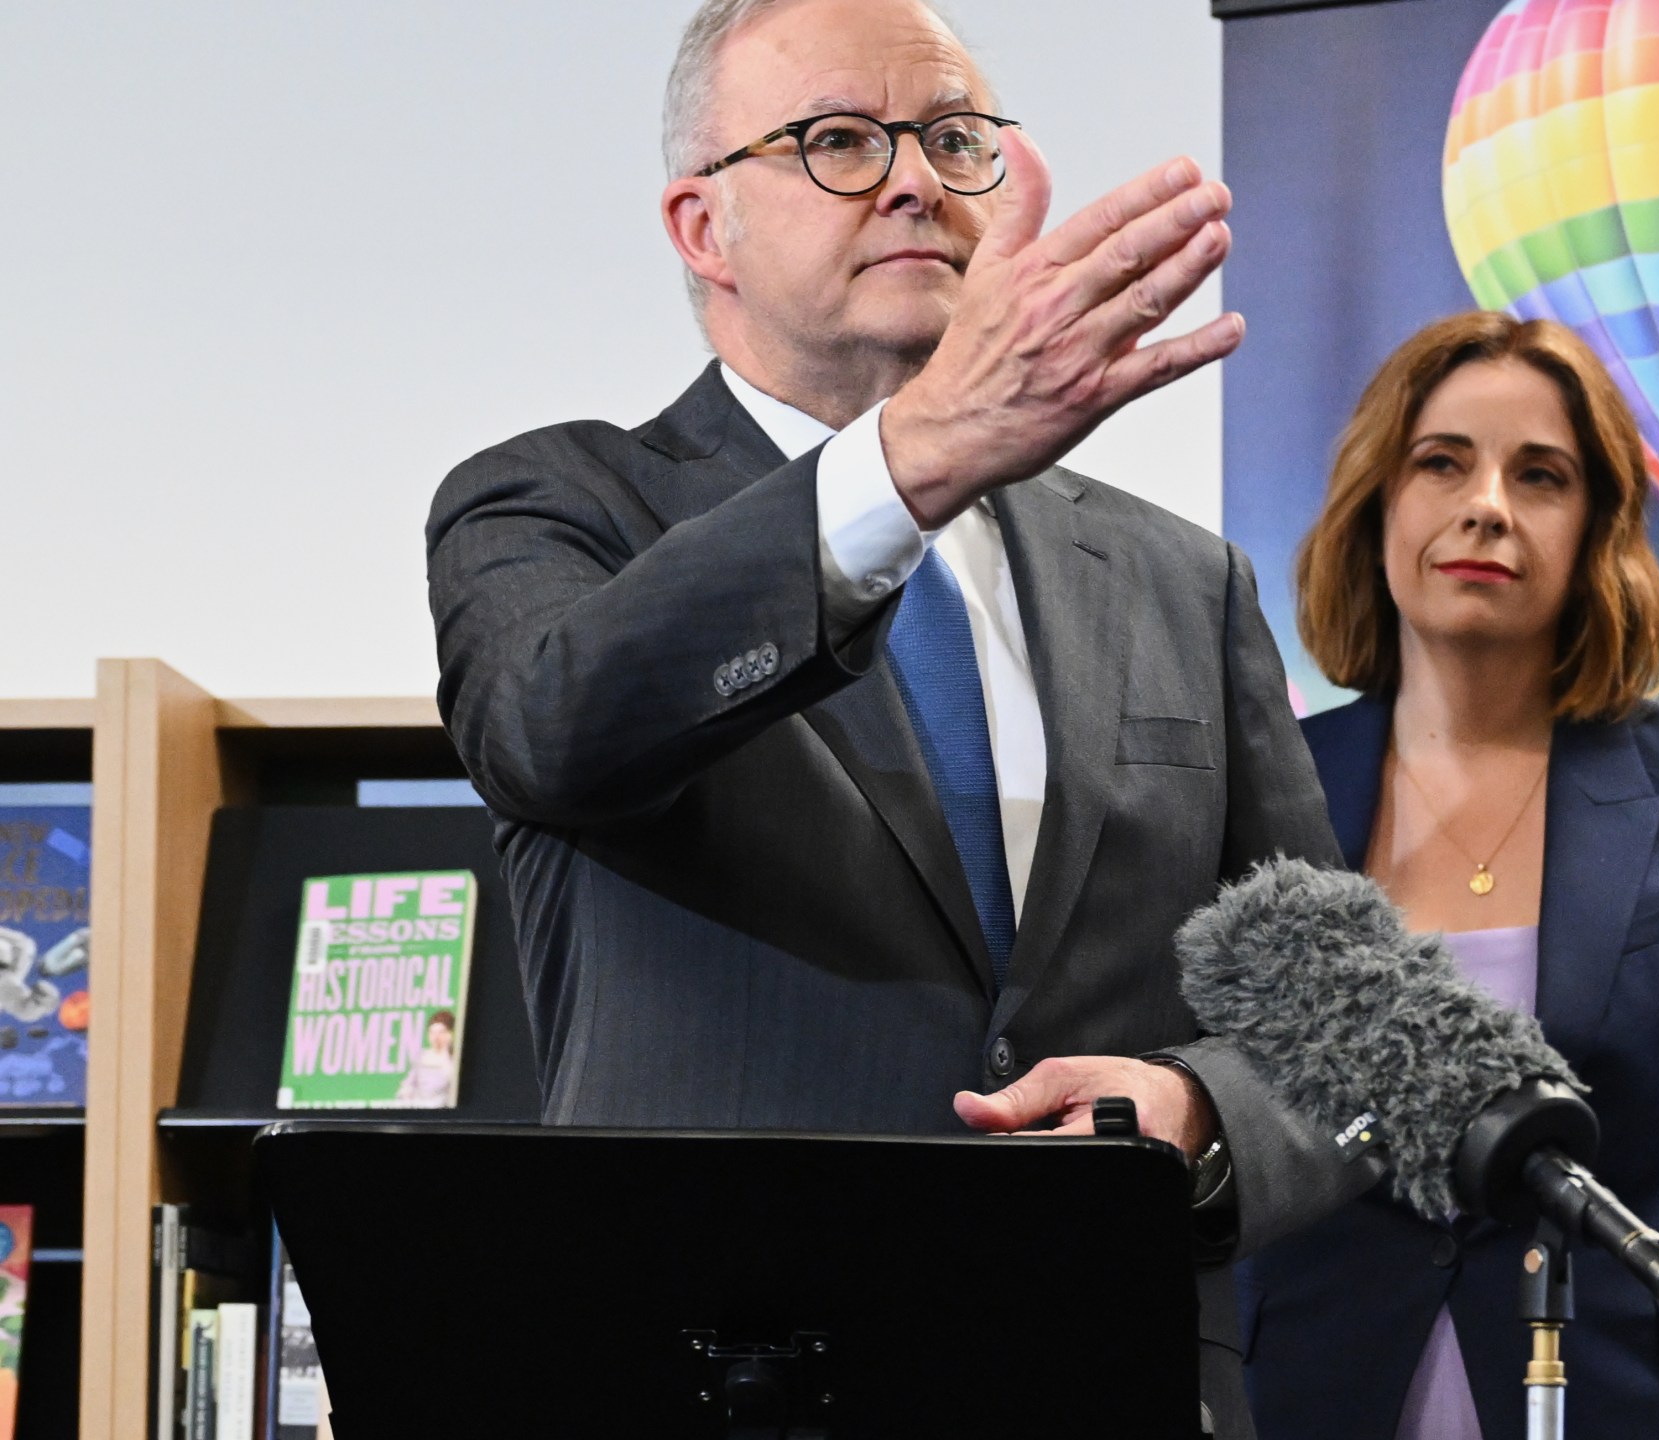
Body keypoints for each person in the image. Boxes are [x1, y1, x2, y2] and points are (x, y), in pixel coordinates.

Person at [424, 1, 1370, 1429]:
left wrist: (1194, 1114)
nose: (918, 180)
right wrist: (911, 457)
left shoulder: (1183, 581)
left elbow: (1341, 1028)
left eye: (954, 138)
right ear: (702, 226)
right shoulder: (557, 507)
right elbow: (553, 731)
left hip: (1094, 1375)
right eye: (841, 141)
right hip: (721, 1385)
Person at [1241, 312, 1659, 1438]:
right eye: (1441, 463)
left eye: (1540, 475)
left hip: (1636, 1411)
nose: (1486, 504)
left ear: (1596, 531)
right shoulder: (1260, 791)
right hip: (1310, 1402)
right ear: (1378, 503)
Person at [393, 1009, 459, 1108]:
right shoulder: (421, 1056)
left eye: (441, 1032)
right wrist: (405, 1092)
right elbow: (409, 1083)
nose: (436, 1037)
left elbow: (454, 1082)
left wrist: (445, 1053)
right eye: (432, 1032)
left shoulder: (454, 1059)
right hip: (420, 1106)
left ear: (450, 1033)